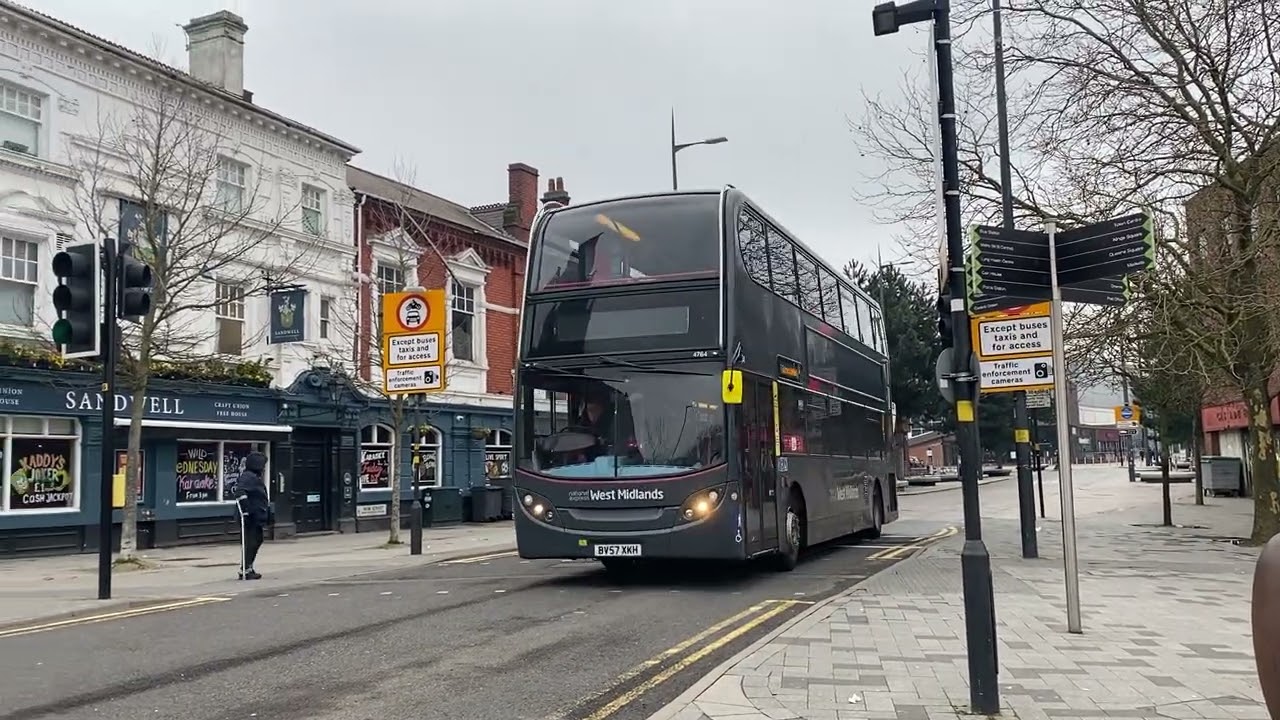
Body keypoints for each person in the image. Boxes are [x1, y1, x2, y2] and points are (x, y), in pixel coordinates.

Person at [234, 451, 270, 580]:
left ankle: (247, 567)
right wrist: (245, 511)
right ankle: (246, 569)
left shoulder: (253, 477)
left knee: (256, 540)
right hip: (251, 518)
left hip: (256, 516)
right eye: (263, 465)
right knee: (251, 542)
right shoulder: (248, 477)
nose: (264, 468)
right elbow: (240, 492)